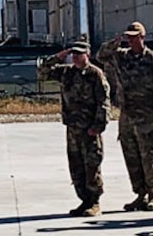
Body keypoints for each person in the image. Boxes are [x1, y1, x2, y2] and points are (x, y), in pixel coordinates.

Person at [96, 22, 153, 211]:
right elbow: (101, 56)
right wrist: (114, 43)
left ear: (142, 37)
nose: (130, 40)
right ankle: (140, 194)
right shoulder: (121, 56)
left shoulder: (152, 59)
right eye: (128, 36)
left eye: (134, 36)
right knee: (131, 156)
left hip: (146, 114)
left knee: (148, 155)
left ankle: (152, 194)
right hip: (127, 114)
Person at [41, 42, 111, 216]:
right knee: (76, 165)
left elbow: (104, 102)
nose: (76, 57)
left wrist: (98, 125)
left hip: (89, 129)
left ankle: (94, 201)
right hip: (72, 129)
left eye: (79, 54)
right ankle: (84, 200)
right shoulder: (67, 72)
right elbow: (42, 72)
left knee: (92, 165)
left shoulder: (95, 74)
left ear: (87, 54)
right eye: (73, 54)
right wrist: (59, 56)